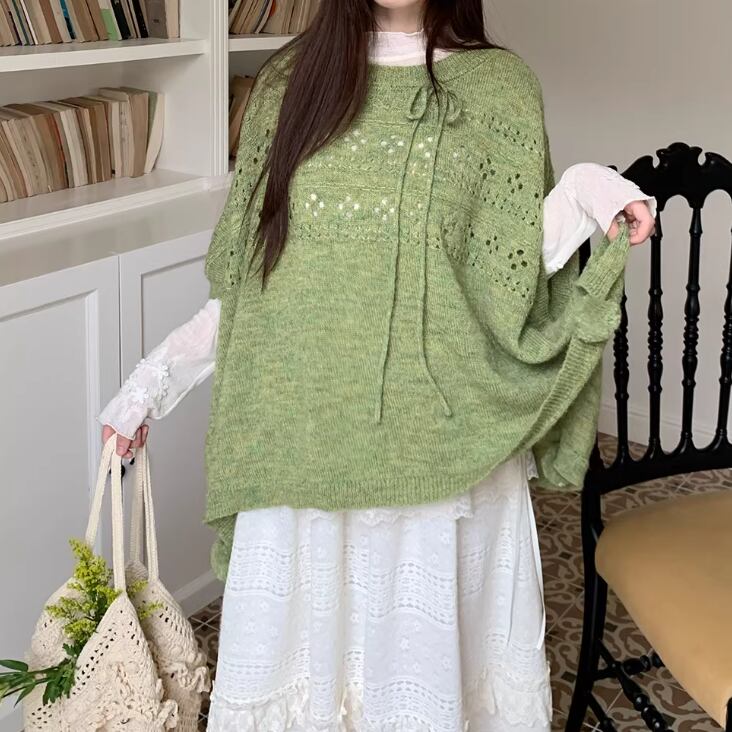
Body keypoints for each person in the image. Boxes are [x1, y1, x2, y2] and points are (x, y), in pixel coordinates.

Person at [99, 2, 656, 730]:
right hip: (304, 457)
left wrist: (585, 190)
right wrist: (148, 387)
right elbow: (255, 294)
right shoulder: (287, 84)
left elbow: (504, 275)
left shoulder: (500, 87)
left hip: (442, 463)